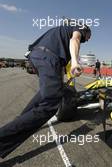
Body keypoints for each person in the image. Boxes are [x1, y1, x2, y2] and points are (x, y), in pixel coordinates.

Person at [0, 24, 91, 159]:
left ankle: (19, 123)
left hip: (38, 56)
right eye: (89, 37)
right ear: (86, 30)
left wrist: (62, 82)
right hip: (48, 58)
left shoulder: (60, 32)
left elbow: (59, 66)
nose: (88, 40)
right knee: (50, 104)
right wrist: (75, 62)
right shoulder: (79, 29)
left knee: (46, 95)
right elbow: (75, 40)